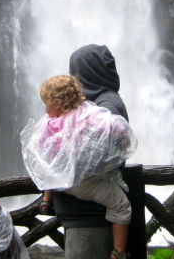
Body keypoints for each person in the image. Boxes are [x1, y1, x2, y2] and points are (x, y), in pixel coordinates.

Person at [20, 74, 136, 259]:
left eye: (46, 103)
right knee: (120, 204)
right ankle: (119, 252)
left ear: (57, 103)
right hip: (82, 183)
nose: (45, 108)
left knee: (49, 166)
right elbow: (119, 129)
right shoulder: (88, 116)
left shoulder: (48, 125)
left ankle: (46, 198)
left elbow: (41, 153)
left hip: (60, 181)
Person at [56, 45, 131, 259]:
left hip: (90, 219)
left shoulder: (106, 105)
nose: (72, 79)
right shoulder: (95, 103)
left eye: (75, 73)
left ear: (88, 73)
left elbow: (94, 156)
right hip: (86, 216)